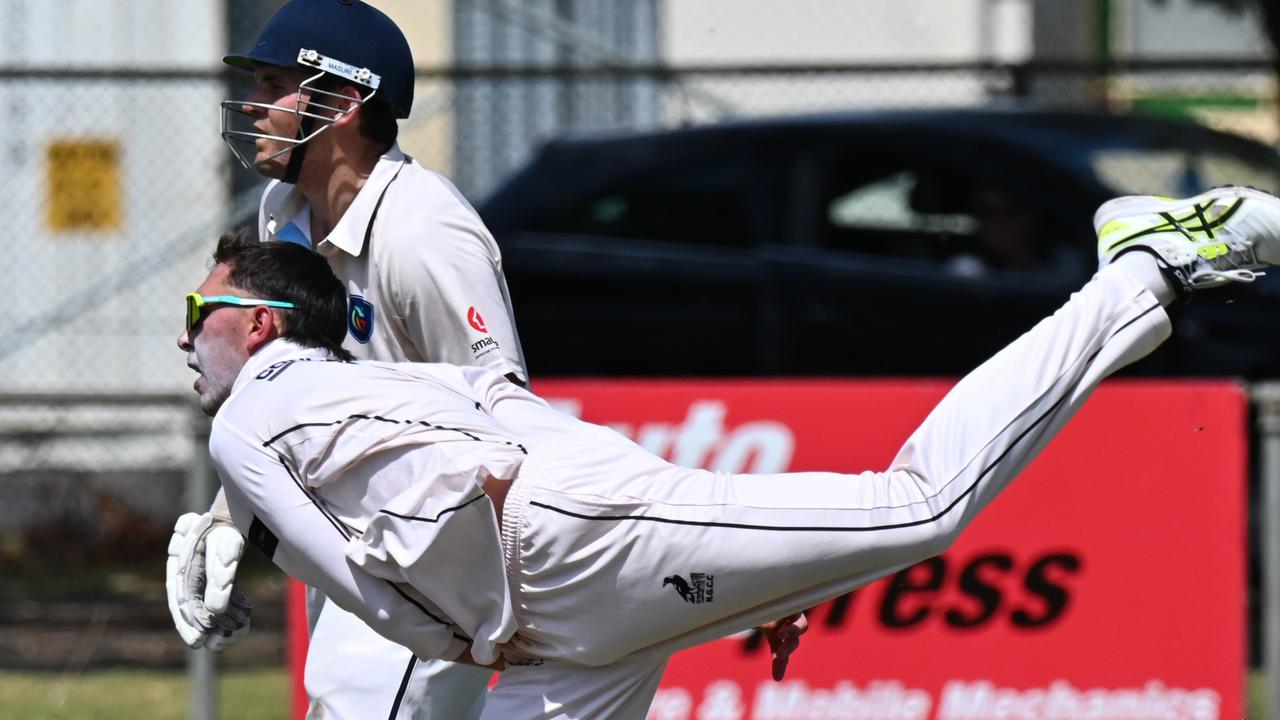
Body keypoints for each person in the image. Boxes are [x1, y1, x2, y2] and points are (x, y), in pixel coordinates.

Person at [176, 185, 1280, 719]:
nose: (186, 335)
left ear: (261, 323)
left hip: (567, 553)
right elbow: (504, 413)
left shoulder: (248, 417)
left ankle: (1136, 269)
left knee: (919, 506)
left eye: (200, 307)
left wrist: (471, 629)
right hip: (556, 599)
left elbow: (379, 599)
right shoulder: (369, 384)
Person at [164, 1, 529, 717]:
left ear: (345, 101)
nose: (255, 105)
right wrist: (228, 515)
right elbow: (285, 394)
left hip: (432, 550)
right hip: (348, 541)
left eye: (276, 84)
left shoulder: (422, 233)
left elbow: (507, 417)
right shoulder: (281, 211)